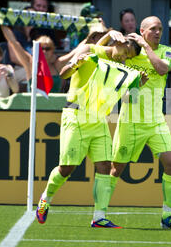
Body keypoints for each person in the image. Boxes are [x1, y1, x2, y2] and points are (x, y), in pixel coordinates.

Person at [36, 37, 146, 228]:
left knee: (104, 166)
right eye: (126, 52)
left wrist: (140, 84)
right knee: (66, 168)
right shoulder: (92, 54)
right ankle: (46, 198)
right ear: (118, 43)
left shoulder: (122, 72)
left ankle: (99, 217)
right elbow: (62, 74)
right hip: (76, 115)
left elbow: (130, 100)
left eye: (129, 57)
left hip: (99, 120)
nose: (125, 59)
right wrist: (75, 64)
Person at [107, 16, 171, 229]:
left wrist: (146, 47)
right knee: (116, 169)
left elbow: (163, 69)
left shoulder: (165, 50)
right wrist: (113, 38)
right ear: (142, 31)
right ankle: (99, 214)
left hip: (156, 121)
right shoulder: (130, 51)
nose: (157, 32)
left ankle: (167, 217)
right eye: (153, 29)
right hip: (130, 120)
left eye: (160, 29)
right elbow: (111, 57)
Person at [1, 25, 64, 93]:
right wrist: (1, 21)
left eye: (47, 49)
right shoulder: (30, 63)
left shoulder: (57, 65)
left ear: (52, 50)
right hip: (34, 102)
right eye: (41, 48)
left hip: (54, 102)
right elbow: (13, 42)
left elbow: (75, 54)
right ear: (36, 50)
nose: (44, 51)